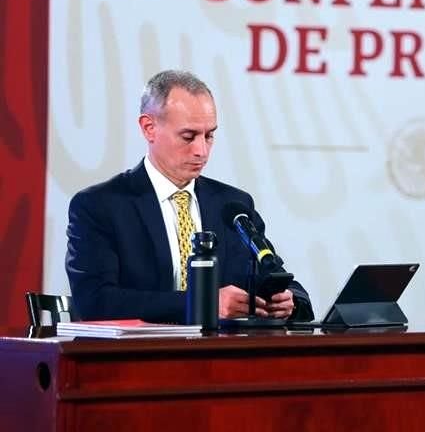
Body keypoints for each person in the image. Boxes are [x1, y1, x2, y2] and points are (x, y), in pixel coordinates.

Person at [66, 70, 314, 323]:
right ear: (149, 128)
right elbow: (95, 301)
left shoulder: (233, 205)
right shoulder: (100, 206)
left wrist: (288, 301)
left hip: (218, 357)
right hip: (137, 356)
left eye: (209, 136)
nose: (201, 151)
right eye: (188, 136)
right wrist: (203, 302)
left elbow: (275, 277)